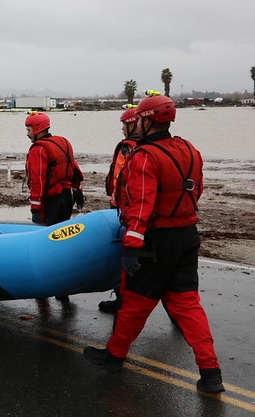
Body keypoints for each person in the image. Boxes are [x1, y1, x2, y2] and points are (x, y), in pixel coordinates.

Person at [83, 94, 225, 394]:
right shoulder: (190, 149)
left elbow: (141, 204)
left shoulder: (145, 156)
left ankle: (113, 357)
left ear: (146, 121)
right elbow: (196, 189)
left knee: (135, 302)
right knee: (188, 305)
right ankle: (211, 373)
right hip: (187, 235)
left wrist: (132, 246)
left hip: (153, 239)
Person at [98, 105, 142, 313]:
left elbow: (119, 179)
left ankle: (122, 300)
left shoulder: (127, 148)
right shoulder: (153, 147)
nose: (122, 130)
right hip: (147, 212)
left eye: (125, 125)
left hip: (126, 211)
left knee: (123, 256)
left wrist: (116, 204)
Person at [24, 112, 84, 226]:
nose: (27, 134)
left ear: (37, 129)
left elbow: (38, 181)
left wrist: (36, 207)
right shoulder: (64, 142)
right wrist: (77, 191)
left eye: (28, 130)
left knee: (44, 236)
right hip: (67, 199)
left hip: (50, 202)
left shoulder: (39, 149)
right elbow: (74, 170)